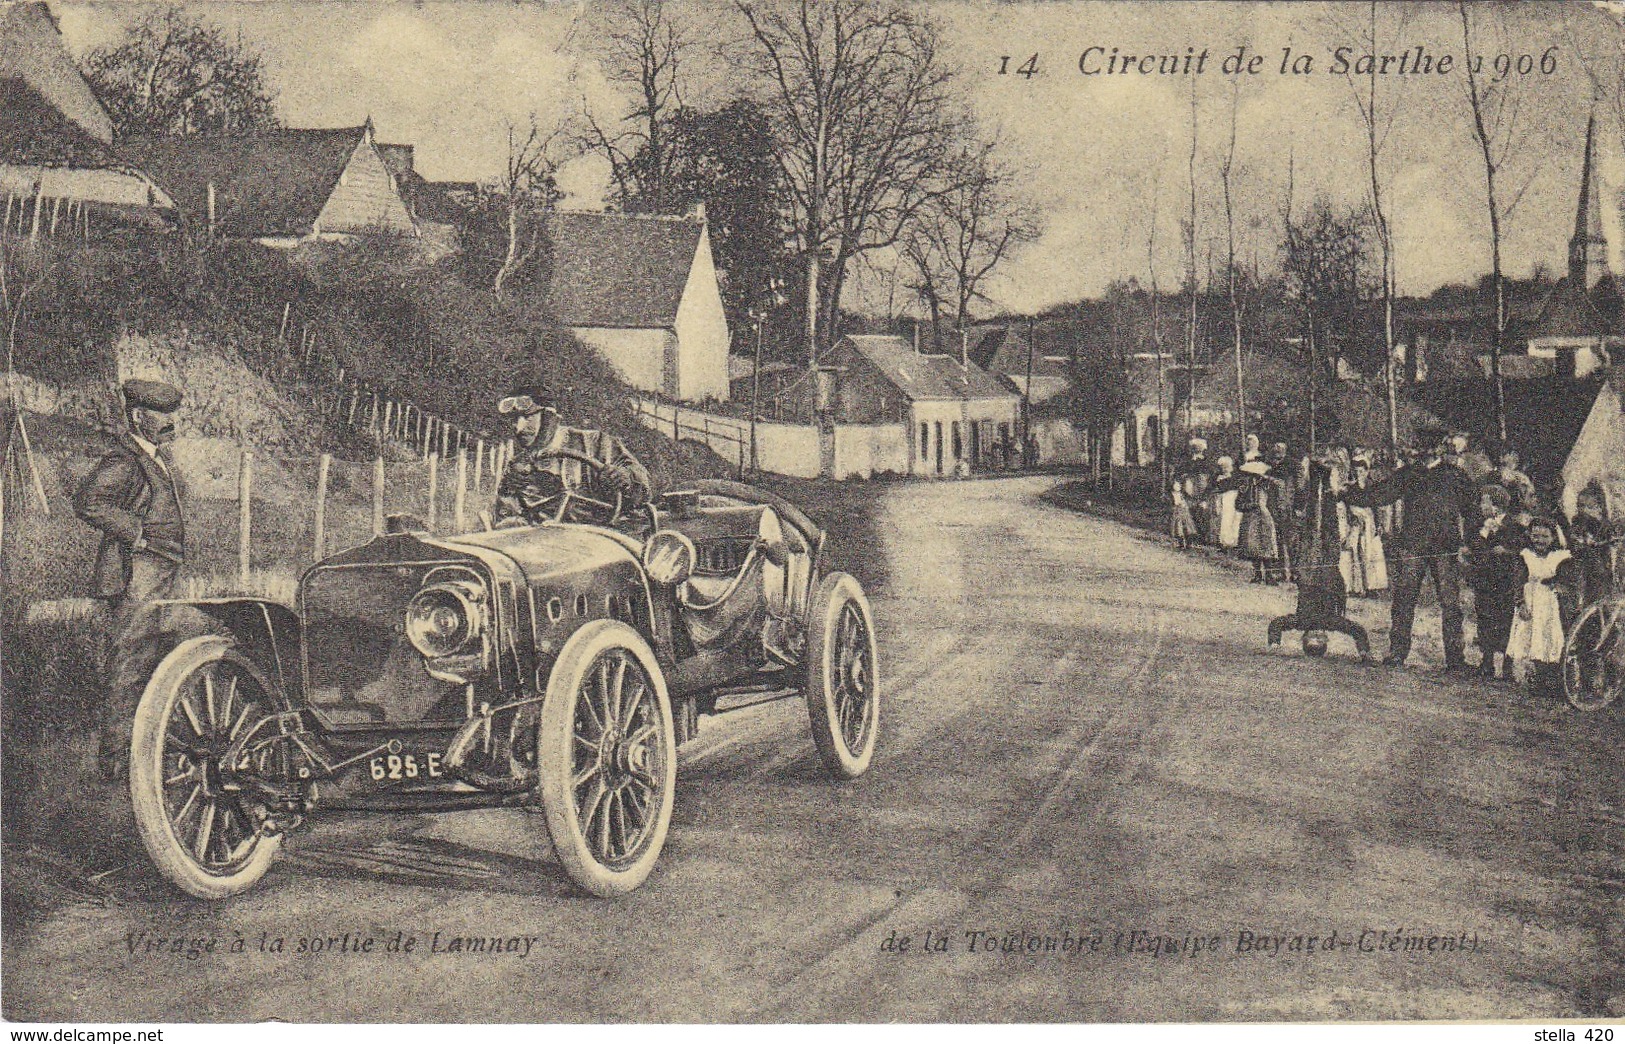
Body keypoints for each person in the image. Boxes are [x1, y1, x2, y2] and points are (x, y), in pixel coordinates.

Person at [73, 379, 187, 780]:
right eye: (162, 416)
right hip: (137, 574)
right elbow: (90, 502)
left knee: (155, 664)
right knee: (130, 666)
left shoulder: (155, 458)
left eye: (172, 415)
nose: (171, 423)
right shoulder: (126, 460)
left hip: (160, 573)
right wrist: (136, 534)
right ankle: (116, 766)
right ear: (139, 417)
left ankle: (144, 758)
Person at [1340, 428, 1480, 670]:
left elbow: (1472, 510)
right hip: (1413, 546)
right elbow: (1381, 495)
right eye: (1421, 445)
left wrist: (1469, 542)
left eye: (1431, 445)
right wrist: (1351, 493)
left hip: (1445, 548)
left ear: (1440, 448)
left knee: (1450, 603)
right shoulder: (1408, 474)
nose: (1425, 450)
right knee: (1404, 599)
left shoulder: (1455, 475)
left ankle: (1456, 659)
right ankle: (1397, 653)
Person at [492, 386, 653, 529]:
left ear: (549, 417)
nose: (519, 428)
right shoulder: (519, 464)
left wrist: (625, 478)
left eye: (528, 418)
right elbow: (508, 515)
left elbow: (640, 483)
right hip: (551, 543)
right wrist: (509, 501)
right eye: (514, 420)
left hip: (604, 535)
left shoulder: (595, 443)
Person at [1268, 450, 1371, 660]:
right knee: (1327, 523)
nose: (1316, 632)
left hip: (1311, 564)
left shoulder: (1305, 620)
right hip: (1327, 564)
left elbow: (1276, 626)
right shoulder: (1330, 621)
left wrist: (1274, 645)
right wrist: (1365, 652)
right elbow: (1358, 632)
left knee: (1313, 523)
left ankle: (1317, 477)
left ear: (1305, 636)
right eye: (1319, 637)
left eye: (1311, 637)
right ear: (1325, 637)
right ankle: (1321, 479)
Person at [1505, 516, 1576, 694]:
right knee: (1534, 639)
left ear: (1553, 537)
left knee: (1551, 638)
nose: (1539, 541)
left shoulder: (1561, 557)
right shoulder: (1525, 556)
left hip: (1551, 604)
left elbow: (1568, 581)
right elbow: (1518, 582)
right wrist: (1520, 604)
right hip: (1532, 602)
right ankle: (1539, 678)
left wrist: (1560, 586)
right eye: (1535, 536)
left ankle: (1556, 680)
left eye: (1545, 537)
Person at [1468, 484, 1525, 681]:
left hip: (1505, 583)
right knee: (1485, 618)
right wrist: (1483, 534)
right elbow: (1475, 547)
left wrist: (1506, 552)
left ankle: (1507, 666)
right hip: (1485, 581)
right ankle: (1487, 662)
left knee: (1506, 620)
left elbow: (1522, 552)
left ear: (1496, 506)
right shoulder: (1480, 525)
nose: (1480, 506)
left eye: (1484, 502)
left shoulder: (1515, 526)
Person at [1341, 452, 1389, 596]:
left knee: (1371, 552)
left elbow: (1375, 507)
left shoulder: (1372, 487)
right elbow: (1347, 507)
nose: (1358, 474)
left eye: (1361, 471)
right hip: (1356, 523)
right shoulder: (1350, 488)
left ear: (1366, 471)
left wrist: (1378, 524)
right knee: (1355, 551)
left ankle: (1372, 587)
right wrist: (1353, 519)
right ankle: (1356, 587)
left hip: (1370, 522)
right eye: (1356, 472)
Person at [1567, 484, 1621, 611]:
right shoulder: (1578, 522)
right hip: (1584, 565)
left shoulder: (1605, 525)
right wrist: (1581, 541)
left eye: (1589, 507)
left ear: (1600, 508)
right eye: (1580, 506)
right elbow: (1574, 539)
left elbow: (1612, 542)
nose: (1583, 510)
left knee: (1602, 585)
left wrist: (1607, 542)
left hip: (1602, 564)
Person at [1236, 456, 1281, 582]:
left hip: (1265, 516)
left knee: (1267, 545)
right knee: (1253, 546)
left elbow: (1274, 499)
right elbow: (1238, 504)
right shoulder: (1244, 487)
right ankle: (1257, 574)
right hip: (1250, 518)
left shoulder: (1268, 485)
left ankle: (1269, 575)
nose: (1257, 477)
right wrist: (1249, 506)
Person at [1492, 448, 1537, 519]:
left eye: (1515, 454)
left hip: (1520, 503)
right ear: (1502, 458)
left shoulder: (1520, 475)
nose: (1515, 456)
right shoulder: (1499, 473)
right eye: (1511, 454)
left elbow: (1529, 491)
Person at [1209, 455, 1241, 550]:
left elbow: (1236, 487)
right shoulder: (1218, 477)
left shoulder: (1234, 476)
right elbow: (1214, 488)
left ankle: (1234, 542)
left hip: (1233, 498)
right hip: (1223, 498)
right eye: (1222, 467)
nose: (1224, 469)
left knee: (1234, 519)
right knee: (1224, 519)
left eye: (1226, 466)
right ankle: (1223, 542)